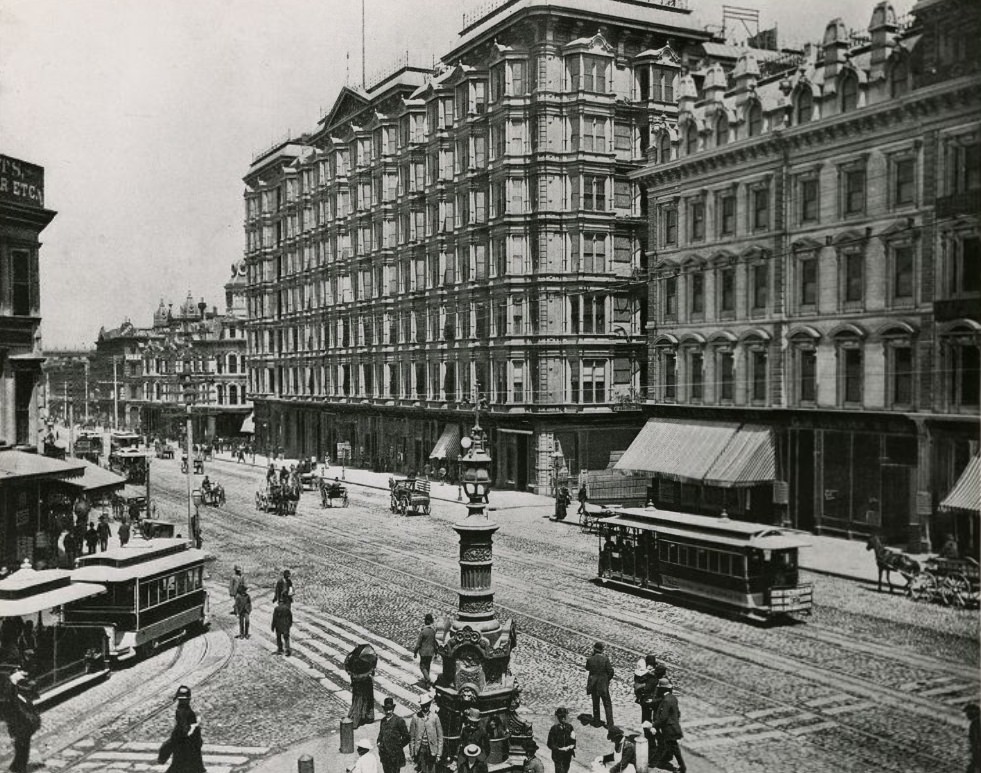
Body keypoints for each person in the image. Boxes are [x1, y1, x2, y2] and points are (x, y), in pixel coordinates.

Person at [4, 668, 40, 773]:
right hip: (19, 727)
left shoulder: (24, 696)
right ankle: (20, 768)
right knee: (22, 749)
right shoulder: (14, 697)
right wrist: (12, 682)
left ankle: (16, 766)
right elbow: (9, 693)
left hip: (26, 727)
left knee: (23, 749)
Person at [652, 681, 685, 773]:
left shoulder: (666, 700)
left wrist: (654, 725)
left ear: (662, 689)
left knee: (674, 748)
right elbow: (677, 713)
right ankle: (663, 760)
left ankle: (682, 767)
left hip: (669, 729)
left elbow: (663, 717)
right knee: (669, 745)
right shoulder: (673, 698)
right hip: (674, 726)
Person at [408, 692, 442, 773]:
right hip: (421, 748)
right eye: (423, 705)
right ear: (421, 706)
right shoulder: (416, 718)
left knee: (431, 770)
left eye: (427, 705)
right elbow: (412, 737)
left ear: (430, 704)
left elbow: (440, 737)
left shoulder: (435, 717)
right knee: (422, 769)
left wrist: (439, 754)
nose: (425, 707)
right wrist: (412, 753)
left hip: (432, 749)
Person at [346, 643, 377, 729]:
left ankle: (364, 717)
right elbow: (371, 671)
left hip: (359, 682)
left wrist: (354, 676)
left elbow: (348, 668)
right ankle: (359, 719)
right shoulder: (366, 659)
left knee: (359, 700)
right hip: (362, 683)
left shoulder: (352, 657)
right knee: (361, 700)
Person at [376, 697, 410, 773]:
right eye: (386, 710)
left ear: (393, 709)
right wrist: (379, 742)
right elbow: (381, 733)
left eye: (390, 710)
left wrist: (398, 746)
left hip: (395, 756)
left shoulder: (399, 721)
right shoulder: (383, 721)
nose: (388, 712)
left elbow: (407, 737)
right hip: (385, 755)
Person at [585, 641, 614, 728]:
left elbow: (587, 668)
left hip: (593, 684)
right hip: (603, 686)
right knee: (607, 704)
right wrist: (606, 680)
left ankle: (596, 721)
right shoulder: (605, 659)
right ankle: (609, 724)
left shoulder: (590, 659)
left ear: (594, 650)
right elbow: (611, 671)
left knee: (595, 703)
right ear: (601, 650)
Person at [546, 706, 576, 773]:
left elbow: (573, 740)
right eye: (561, 716)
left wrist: (571, 746)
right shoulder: (554, 729)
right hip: (558, 755)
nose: (563, 718)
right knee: (559, 771)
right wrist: (559, 749)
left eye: (564, 716)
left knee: (566, 770)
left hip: (567, 755)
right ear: (558, 717)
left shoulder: (570, 727)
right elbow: (550, 743)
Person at [413, 613, 437, 688]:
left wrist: (415, 652)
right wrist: (436, 653)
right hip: (431, 652)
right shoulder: (433, 631)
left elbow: (418, 644)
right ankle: (427, 684)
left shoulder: (423, 631)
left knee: (422, 667)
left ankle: (428, 679)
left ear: (426, 621)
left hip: (423, 652)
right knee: (428, 666)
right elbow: (435, 643)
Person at [634, 658, 656, 724]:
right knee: (646, 716)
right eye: (649, 665)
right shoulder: (648, 675)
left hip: (647, 698)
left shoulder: (651, 675)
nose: (650, 666)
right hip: (646, 698)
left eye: (651, 665)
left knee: (647, 716)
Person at [964, 703, 980, 773]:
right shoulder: (976, 722)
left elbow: (977, 741)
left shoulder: (975, 724)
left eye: (968, 713)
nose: (966, 715)